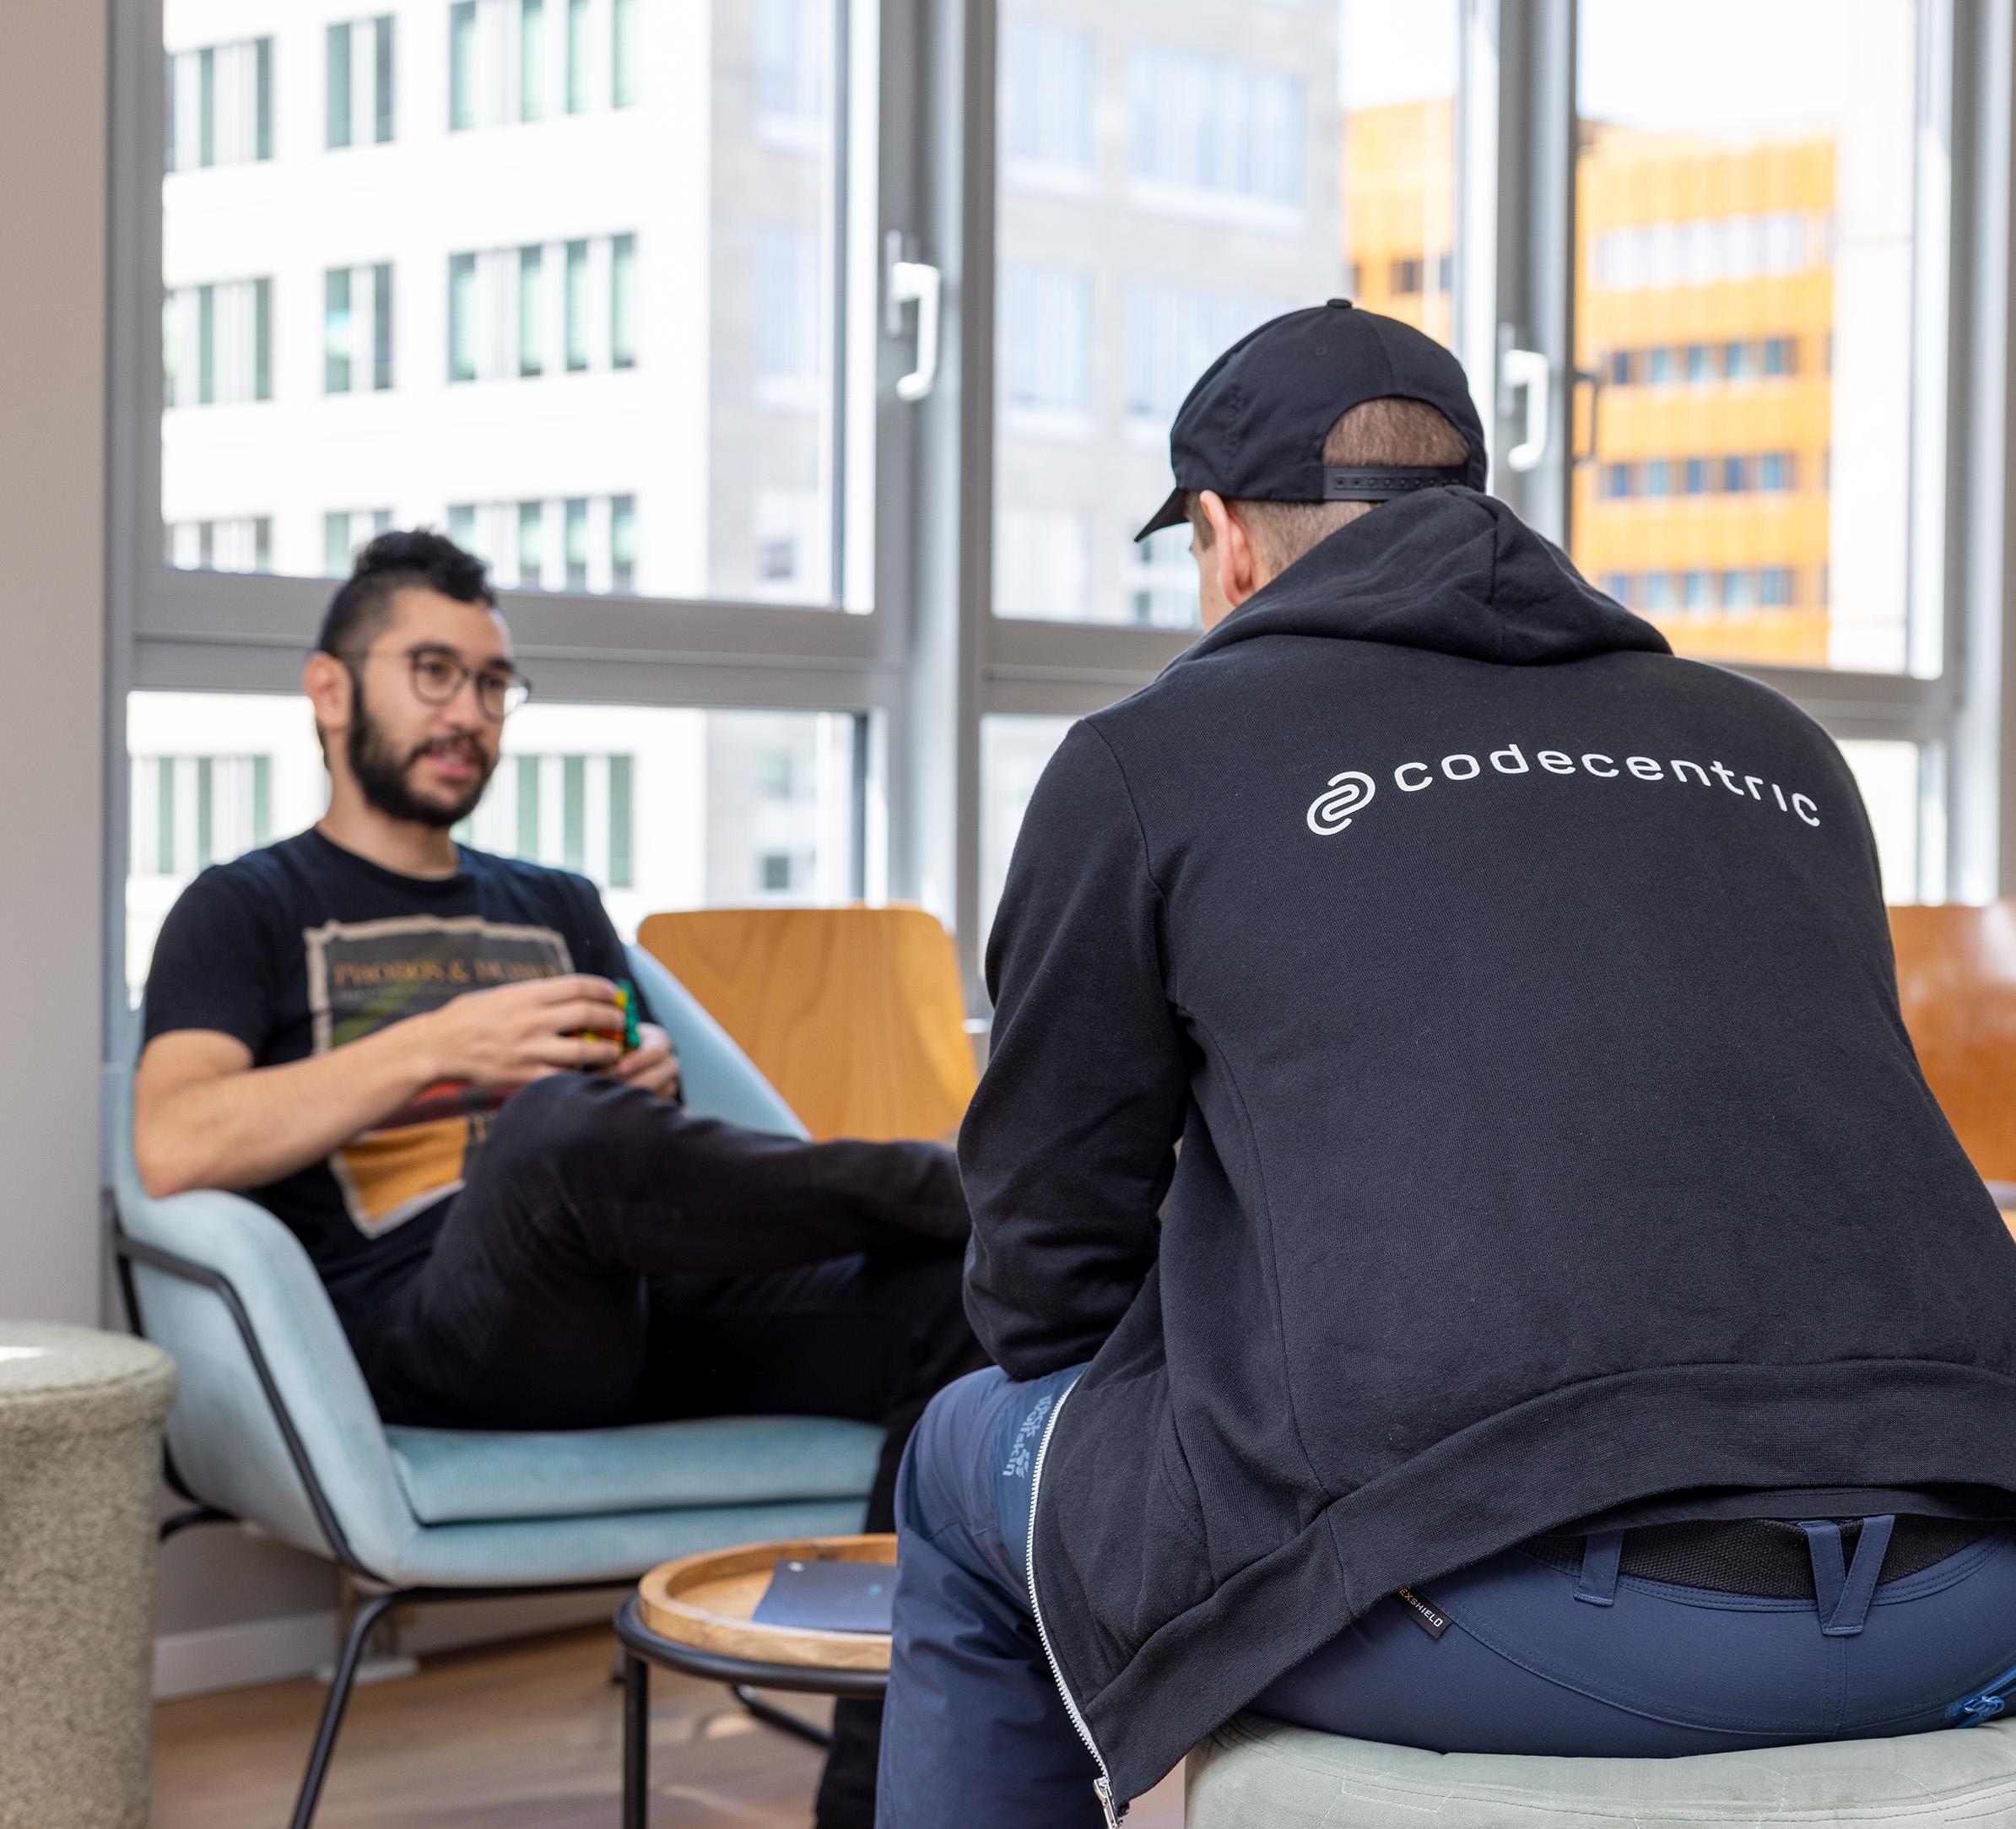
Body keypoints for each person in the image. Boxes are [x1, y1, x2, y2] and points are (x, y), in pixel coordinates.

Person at [876, 301, 2016, 1828]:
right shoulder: (1780, 748)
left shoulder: (1151, 759)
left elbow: (1041, 1269)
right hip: (1977, 1592)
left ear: (1223, 539)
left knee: (960, 1456)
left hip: (1530, 1631)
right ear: (1475, 497)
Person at [133, 529, 986, 1827]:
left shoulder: (559, 902)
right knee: (549, 1139)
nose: (467, 713)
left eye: (490, 684)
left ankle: (874, 1797)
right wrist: (442, 1050)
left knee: (963, 1287)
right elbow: (172, 1142)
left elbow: (680, 1159)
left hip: (632, 1300)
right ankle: (968, 1174)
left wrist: (643, 1095)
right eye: (432, 672)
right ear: (328, 689)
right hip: (438, 1326)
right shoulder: (244, 906)